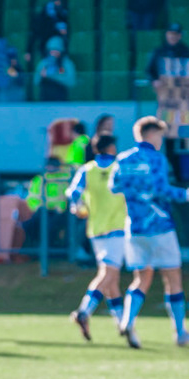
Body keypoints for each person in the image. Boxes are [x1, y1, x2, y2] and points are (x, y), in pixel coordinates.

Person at [110, 115, 189, 348]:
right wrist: (186, 195)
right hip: (159, 225)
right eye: (160, 135)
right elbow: (161, 189)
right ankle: (180, 332)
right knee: (173, 278)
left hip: (135, 227)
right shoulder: (156, 158)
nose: (161, 140)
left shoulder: (123, 158)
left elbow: (114, 186)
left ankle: (128, 320)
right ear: (151, 134)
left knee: (141, 278)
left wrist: (136, 192)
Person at [67, 131, 126, 339]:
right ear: (111, 148)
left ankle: (123, 324)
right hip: (117, 229)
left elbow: (73, 193)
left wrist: (78, 206)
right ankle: (84, 311)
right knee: (108, 275)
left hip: (95, 230)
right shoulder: (119, 167)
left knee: (112, 280)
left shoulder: (87, 169)